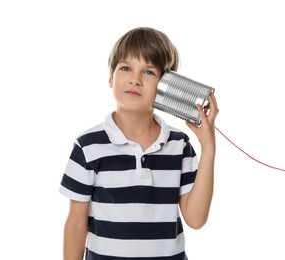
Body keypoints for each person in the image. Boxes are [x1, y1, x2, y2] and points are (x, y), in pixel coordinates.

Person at [59, 27, 219, 260]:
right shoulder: (88, 146)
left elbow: (196, 219)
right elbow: (75, 223)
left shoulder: (179, 145)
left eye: (149, 72)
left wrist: (209, 147)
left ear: (167, 85)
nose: (135, 79)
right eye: (126, 68)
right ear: (111, 77)